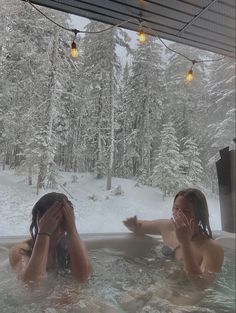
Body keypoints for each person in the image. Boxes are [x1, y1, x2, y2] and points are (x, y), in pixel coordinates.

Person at [123, 188, 224, 289]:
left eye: (186, 211)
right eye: (176, 208)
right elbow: (137, 226)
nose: (178, 214)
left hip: (185, 294)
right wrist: (132, 225)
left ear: (199, 216)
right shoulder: (167, 227)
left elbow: (202, 286)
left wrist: (185, 243)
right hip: (161, 284)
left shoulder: (212, 249)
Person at [9, 192, 92, 286]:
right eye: (54, 223)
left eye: (64, 223)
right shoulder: (21, 251)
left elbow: (84, 278)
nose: (60, 230)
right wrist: (44, 233)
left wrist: (72, 230)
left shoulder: (73, 246)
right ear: (39, 220)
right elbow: (31, 284)